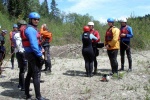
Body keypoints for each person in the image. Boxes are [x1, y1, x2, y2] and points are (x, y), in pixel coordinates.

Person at [24, 12, 46, 100]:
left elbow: (36, 43)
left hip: (30, 53)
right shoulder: (30, 30)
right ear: (30, 20)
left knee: (30, 73)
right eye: (34, 19)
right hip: (33, 54)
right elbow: (33, 44)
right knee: (36, 75)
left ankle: (27, 94)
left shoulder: (32, 28)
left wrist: (41, 48)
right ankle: (38, 96)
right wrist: (40, 55)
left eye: (38, 19)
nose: (36, 21)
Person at [11, 23, 28, 91]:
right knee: (23, 70)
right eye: (23, 26)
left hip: (20, 52)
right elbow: (18, 44)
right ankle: (23, 86)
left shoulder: (20, 34)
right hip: (21, 53)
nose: (24, 27)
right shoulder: (18, 34)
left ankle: (20, 84)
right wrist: (22, 52)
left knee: (22, 69)